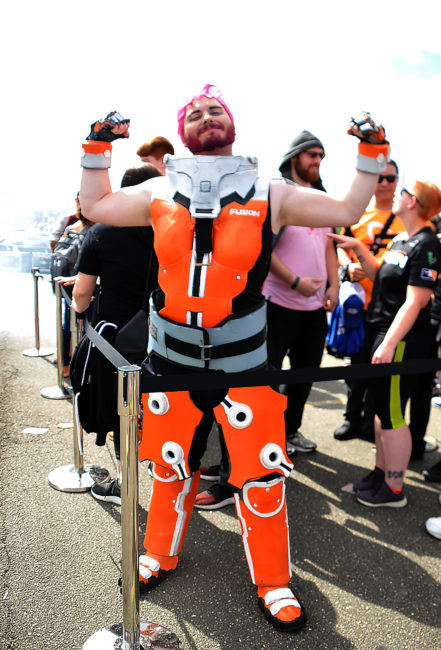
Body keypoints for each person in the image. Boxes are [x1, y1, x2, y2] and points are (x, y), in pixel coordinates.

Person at [79, 92, 389, 632]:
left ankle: (273, 580)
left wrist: (372, 151)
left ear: (234, 124)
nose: (206, 116)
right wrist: (97, 147)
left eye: (215, 109)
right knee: (171, 465)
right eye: (194, 113)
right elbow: (96, 207)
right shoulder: (158, 189)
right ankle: (158, 554)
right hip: (171, 363)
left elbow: (345, 211)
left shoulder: (270, 193)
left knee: (261, 476)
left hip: (245, 367)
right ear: (182, 132)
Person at [330, 181, 441, 508]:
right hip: (380, 330)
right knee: (381, 410)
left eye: (404, 190)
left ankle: (394, 488)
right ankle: (380, 474)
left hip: (401, 338)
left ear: (415, 202)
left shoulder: (427, 243)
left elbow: (415, 301)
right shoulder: (401, 239)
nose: (398, 194)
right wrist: (359, 249)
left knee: (392, 414)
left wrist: (390, 343)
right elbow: (381, 276)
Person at [72, 163, 161, 505]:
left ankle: (125, 484)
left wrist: (82, 307)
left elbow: (81, 295)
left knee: (120, 409)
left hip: (115, 341)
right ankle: (165, 473)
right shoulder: (173, 230)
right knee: (160, 408)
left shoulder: (101, 231)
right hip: (167, 336)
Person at [262, 130, 339, 455]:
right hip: (277, 304)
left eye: (321, 156)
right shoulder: (278, 194)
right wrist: (294, 281)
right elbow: (264, 251)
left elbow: (329, 248)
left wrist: (334, 285)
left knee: (304, 377)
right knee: (268, 376)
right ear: (296, 157)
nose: (318, 161)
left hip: (314, 309)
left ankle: (291, 431)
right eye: (313, 155)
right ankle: (264, 436)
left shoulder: (322, 199)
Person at [333, 161, 405, 442]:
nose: (385, 183)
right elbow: (339, 245)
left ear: (398, 180)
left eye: (390, 178)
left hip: (390, 310)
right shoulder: (356, 214)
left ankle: (371, 423)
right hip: (357, 307)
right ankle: (351, 419)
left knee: (382, 372)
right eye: (380, 178)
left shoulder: (406, 216)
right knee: (356, 369)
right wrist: (346, 268)